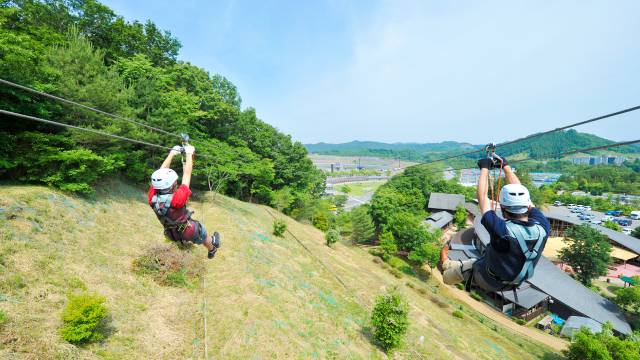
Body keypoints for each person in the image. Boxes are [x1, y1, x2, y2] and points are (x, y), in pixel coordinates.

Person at [439, 155, 550, 292]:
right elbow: (519, 192)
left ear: (502, 208)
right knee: (476, 261)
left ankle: (446, 263)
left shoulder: (502, 231)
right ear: (527, 206)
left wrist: (485, 168)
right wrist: (507, 168)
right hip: (516, 281)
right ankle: (451, 263)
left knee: (449, 276)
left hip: (488, 279)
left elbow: (482, 198)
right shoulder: (543, 227)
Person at [148, 144, 221, 258]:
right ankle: (212, 247)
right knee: (202, 233)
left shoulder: (152, 197)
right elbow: (187, 175)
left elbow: (161, 172)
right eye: (174, 182)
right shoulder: (177, 199)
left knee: (191, 233)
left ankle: (207, 244)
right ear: (172, 185)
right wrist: (189, 153)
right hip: (188, 230)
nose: (176, 183)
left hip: (171, 234)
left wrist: (171, 154)